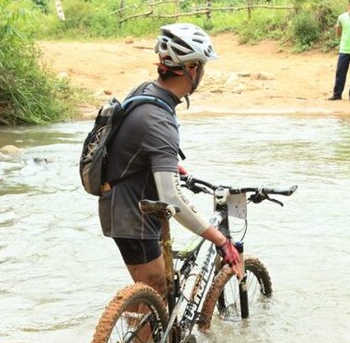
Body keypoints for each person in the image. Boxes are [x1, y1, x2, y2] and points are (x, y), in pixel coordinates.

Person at [99, 23, 243, 298]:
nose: (203, 72)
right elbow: (172, 196)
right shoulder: (159, 120)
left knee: (158, 291)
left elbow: (130, 141)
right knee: (153, 294)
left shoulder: (146, 91)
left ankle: (156, 337)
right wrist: (220, 240)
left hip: (126, 202)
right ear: (192, 69)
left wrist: (163, 163)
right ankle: (142, 341)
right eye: (202, 66)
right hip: (132, 215)